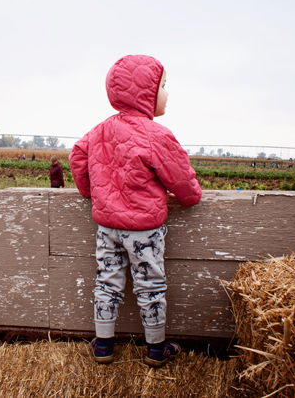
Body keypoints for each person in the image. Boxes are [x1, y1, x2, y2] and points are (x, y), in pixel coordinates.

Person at [69, 55, 202, 368]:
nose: (168, 93)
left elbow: (77, 156)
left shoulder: (100, 130)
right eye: (164, 86)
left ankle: (103, 346)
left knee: (106, 283)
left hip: (107, 228)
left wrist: (92, 193)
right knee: (150, 286)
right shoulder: (157, 135)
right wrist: (191, 197)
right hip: (144, 230)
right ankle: (155, 349)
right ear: (146, 93)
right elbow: (180, 178)